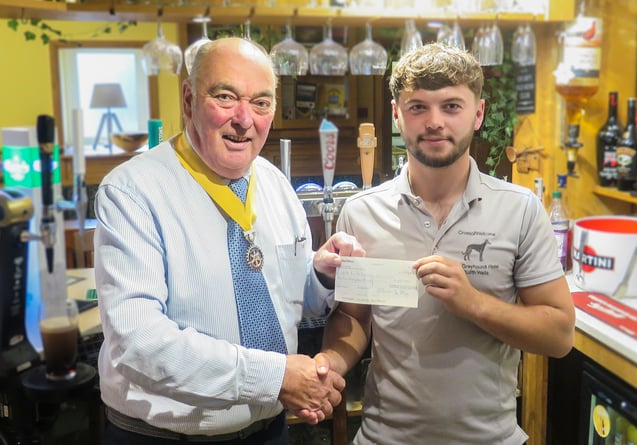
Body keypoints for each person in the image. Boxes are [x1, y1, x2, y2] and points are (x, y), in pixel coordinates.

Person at [94, 37, 364, 445]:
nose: (244, 119)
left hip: (268, 431)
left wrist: (320, 274)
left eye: (261, 102)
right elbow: (139, 342)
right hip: (161, 437)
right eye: (225, 97)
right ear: (188, 100)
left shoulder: (274, 183)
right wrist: (274, 378)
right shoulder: (133, 191)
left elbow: (286, 300)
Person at [318, 43, 576, 444]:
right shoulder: (361, 212)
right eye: (418, 107)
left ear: (479, 114)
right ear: (396, 115)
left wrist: (473, 303)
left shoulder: (520, 210)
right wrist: (330, 362)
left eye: (451, 106)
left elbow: (559, 336)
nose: (434, 122)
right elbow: (354, 318)